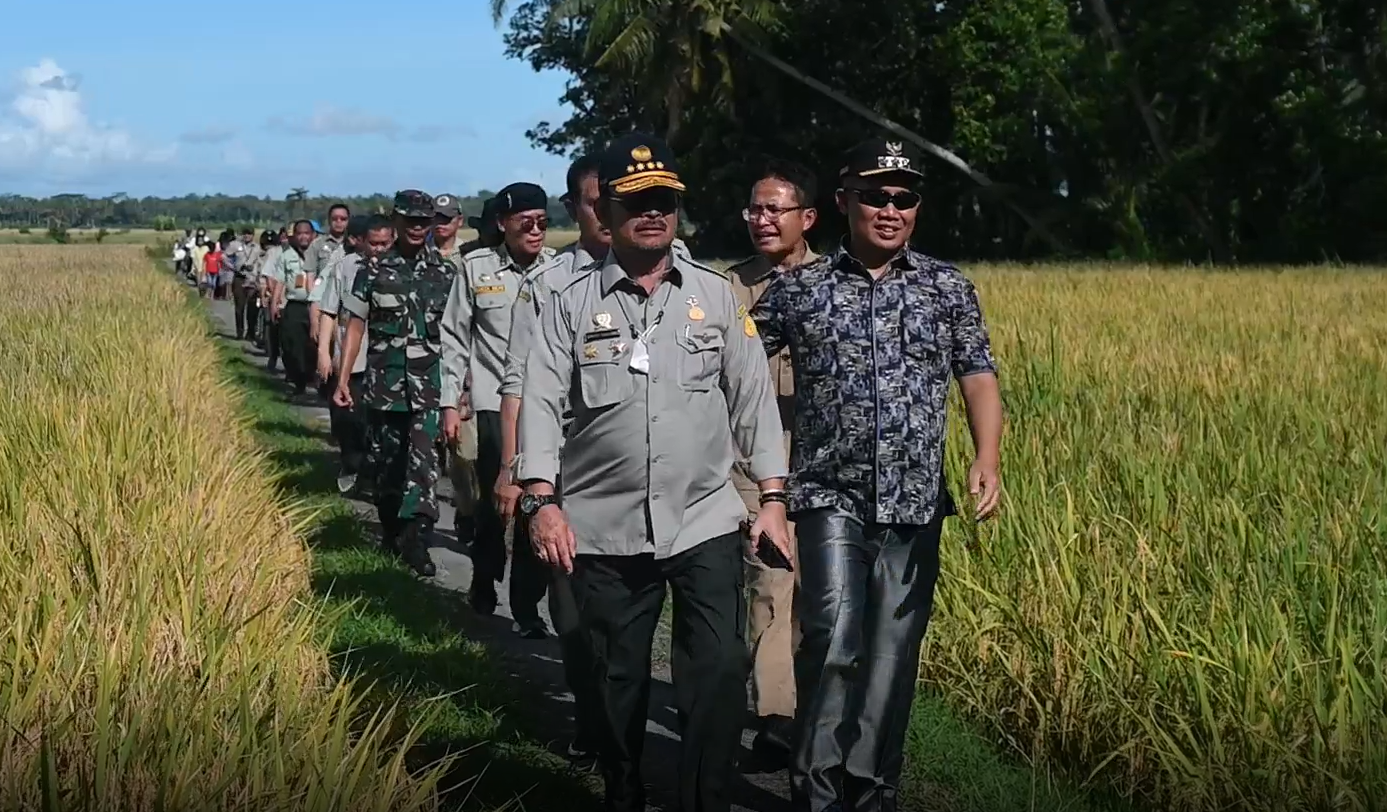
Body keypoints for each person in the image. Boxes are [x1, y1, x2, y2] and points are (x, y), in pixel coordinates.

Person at [517, 133, 791, 812]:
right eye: (636, 202)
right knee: (616, 676)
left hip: (702, 516)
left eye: (664, 201)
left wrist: (773, 496)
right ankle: (623, 783)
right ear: (605, 213)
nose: (652, 213)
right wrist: (540, 499)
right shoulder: (569, 303)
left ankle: (704, 796)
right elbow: (543, 402)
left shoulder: (716, 296)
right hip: (603, 524)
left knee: (720, 668)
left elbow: (751, 397)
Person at [751, 137, 1004, 812]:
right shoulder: (798, 290)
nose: (890, 210)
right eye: (875, 196)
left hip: (916, 500)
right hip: (828, 493)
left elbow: (976, 374)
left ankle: (871, 790)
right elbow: (736, 370)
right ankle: (817, 788)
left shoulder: (945, 286)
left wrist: (986, 459)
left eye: (904, 198)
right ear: (843, 203)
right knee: (831, 639)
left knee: (892, 657)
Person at [497, 152, 609, 755]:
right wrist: (514, 472)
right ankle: (594, 719)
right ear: (578, 207)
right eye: (598, 201)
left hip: (645, 476)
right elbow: (517, 384)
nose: (615, 213)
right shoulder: (548, 284)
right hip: (563, 474)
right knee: (574, 609)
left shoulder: (682, 274)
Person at [725, 158, 820, 765]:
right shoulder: (728, 288)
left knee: (822, 592)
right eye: (754, 209)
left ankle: (818, 708)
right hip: (755, 462)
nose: (762, 220)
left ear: (807, 217)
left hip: (823, 457)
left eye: (775, 209)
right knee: (768, 583)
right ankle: (778, 717)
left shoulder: (835, 283)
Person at [440, 182, 556, 626]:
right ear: (502, 225)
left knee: (537, 502)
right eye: (524, 222)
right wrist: (450, 402)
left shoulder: (560, 271)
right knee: (494, 506)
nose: (535, 230)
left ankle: (526, 607)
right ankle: (485, 575)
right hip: (491, 403)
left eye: (542, 222)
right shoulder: (475, 269)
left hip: (542, 408)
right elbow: (453, 338)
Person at [335, 193, 457, 578]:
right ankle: (391, 529)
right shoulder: (371, 271)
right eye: (412, 221)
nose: (419, 228)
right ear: (397, 222)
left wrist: (461, 389)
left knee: (424, 464)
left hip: (430, 387)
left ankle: (416, 538)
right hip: (385, 385)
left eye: (426, 221)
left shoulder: (446, 273)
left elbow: (457, 336)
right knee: (388, 464)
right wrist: (342, 378)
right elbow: (355, 326)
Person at [314, 215, 379, 496]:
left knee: (374, 422)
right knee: (347, 420)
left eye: (385, 243)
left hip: (382, 360)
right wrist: (323, 353)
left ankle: (373, 475)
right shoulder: (344, 267)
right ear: (360, 242)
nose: (379, 249)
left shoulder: (403, 268)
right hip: (350, 358)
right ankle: (351, 465)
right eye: (373, 243)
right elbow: (329, 311)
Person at [269, 220, 318, 396]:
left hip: (316, 306)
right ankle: (299, 381)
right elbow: (280, 281)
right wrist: (275, 303)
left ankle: (312, 377)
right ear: (294, 236)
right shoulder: (286, 255)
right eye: (299, 233)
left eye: (307, 233)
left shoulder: (321, 254)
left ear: (313, 235)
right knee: (291, 346)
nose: (303, 236)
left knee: (313, 346)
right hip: (295, 305)